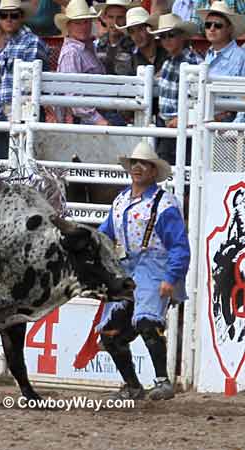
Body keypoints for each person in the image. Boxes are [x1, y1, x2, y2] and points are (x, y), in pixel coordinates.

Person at [97, 141, 190, 401]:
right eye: (134, 163)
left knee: (147, 321)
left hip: (155, 267)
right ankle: (133, 387)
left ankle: (163, 381)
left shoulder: (164, 204)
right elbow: (105, 235)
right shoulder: (120, 201)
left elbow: (179, 246)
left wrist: (171, 278)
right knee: (110, 333)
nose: (138, 167)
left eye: (144, 164)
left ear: (152, 171)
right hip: (128, 268)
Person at [0, 0, 49, 159]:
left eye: (13, 15)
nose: (8, 19)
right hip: (6, 112)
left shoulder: (32, 41)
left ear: (21, 17)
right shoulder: (9, 43)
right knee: (2, 164)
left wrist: (14, 112)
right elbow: (7, 76)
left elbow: (29, 84)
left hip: (23, 114)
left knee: (21, 165)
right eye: (4, 15)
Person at [149, 13, 202, 164]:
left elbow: (198, 98)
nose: (166, 40)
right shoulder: (168, 63)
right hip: (167, 124)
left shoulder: (193, 62)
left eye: (171, 35)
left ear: (182, 36)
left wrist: (183, 118)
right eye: (162, 36)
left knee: (171, 165)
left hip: (182, 125)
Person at [54, 0, 112, 125]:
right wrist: (99, 121)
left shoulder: (86, 48)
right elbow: (73, 97)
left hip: (97, 113)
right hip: (87, 120)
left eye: (86, 22)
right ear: (68, 26)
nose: (83, 27)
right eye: (77, 23)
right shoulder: (72, 53)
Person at [117, 7, 168, 75]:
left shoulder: (167, 51)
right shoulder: (128, 57)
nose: (137, 35)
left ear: (150, 29)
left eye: (140, 29)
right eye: (132, 31)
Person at [94, 0, 138, 76]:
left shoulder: (135, 45)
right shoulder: (96, 45)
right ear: (104, 18)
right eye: (110, 17)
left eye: (120, 17)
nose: (115, 22)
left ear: (127, 19)